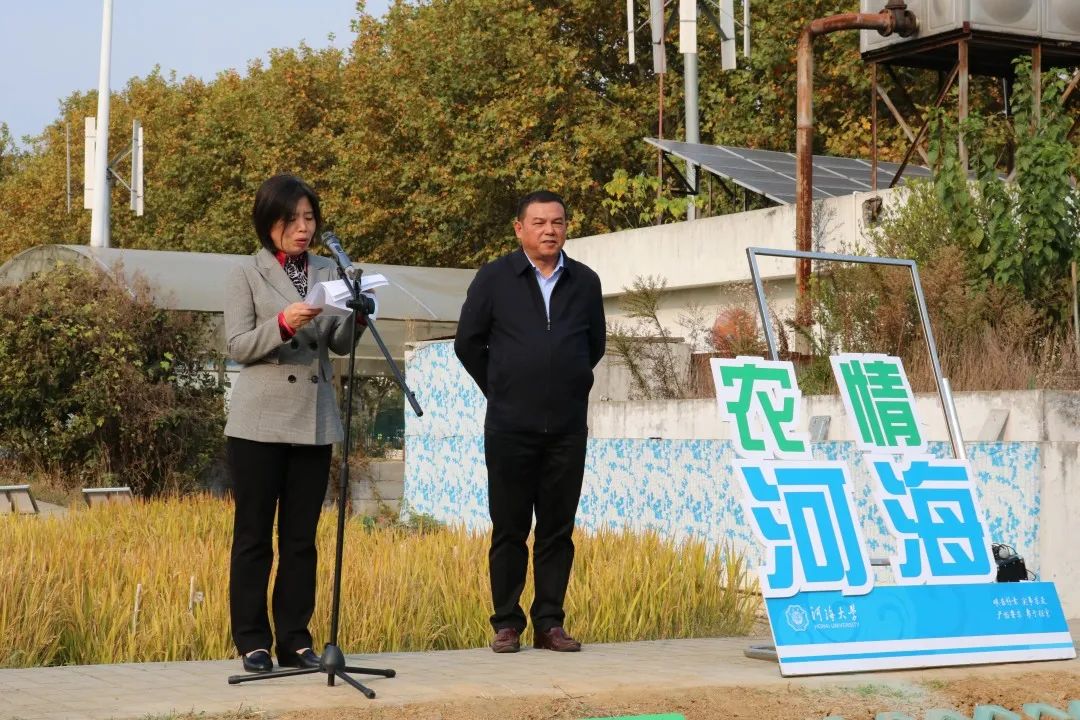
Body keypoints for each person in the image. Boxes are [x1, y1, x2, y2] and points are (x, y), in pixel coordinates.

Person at [224, 174, 366, 673]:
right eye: (292, 219)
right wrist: (284, 323)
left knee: (301, 540)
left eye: (309, 218)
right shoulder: (246, 272)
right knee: (254, 537)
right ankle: (252, 642)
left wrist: (358, 314)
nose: (303, 228)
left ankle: (295, 640)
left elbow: (339, 344)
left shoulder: (330, 271)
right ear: (269, 223)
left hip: (313, 419)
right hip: (258, 423)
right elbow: (238, 346)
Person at [454, 190, 606, 654]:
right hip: (509, 426)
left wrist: (567, 382)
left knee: (558, 530)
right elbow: (467, 343)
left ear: (566, 227)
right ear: (519, 228)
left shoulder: (585, 281)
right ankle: (506, 623)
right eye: (538, 223)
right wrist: (502, 387)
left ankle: (550, 623)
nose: (549, 231)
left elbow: (594, 345)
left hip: (566, 427)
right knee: (509, 528)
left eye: (557, 222)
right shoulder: (494, 278)